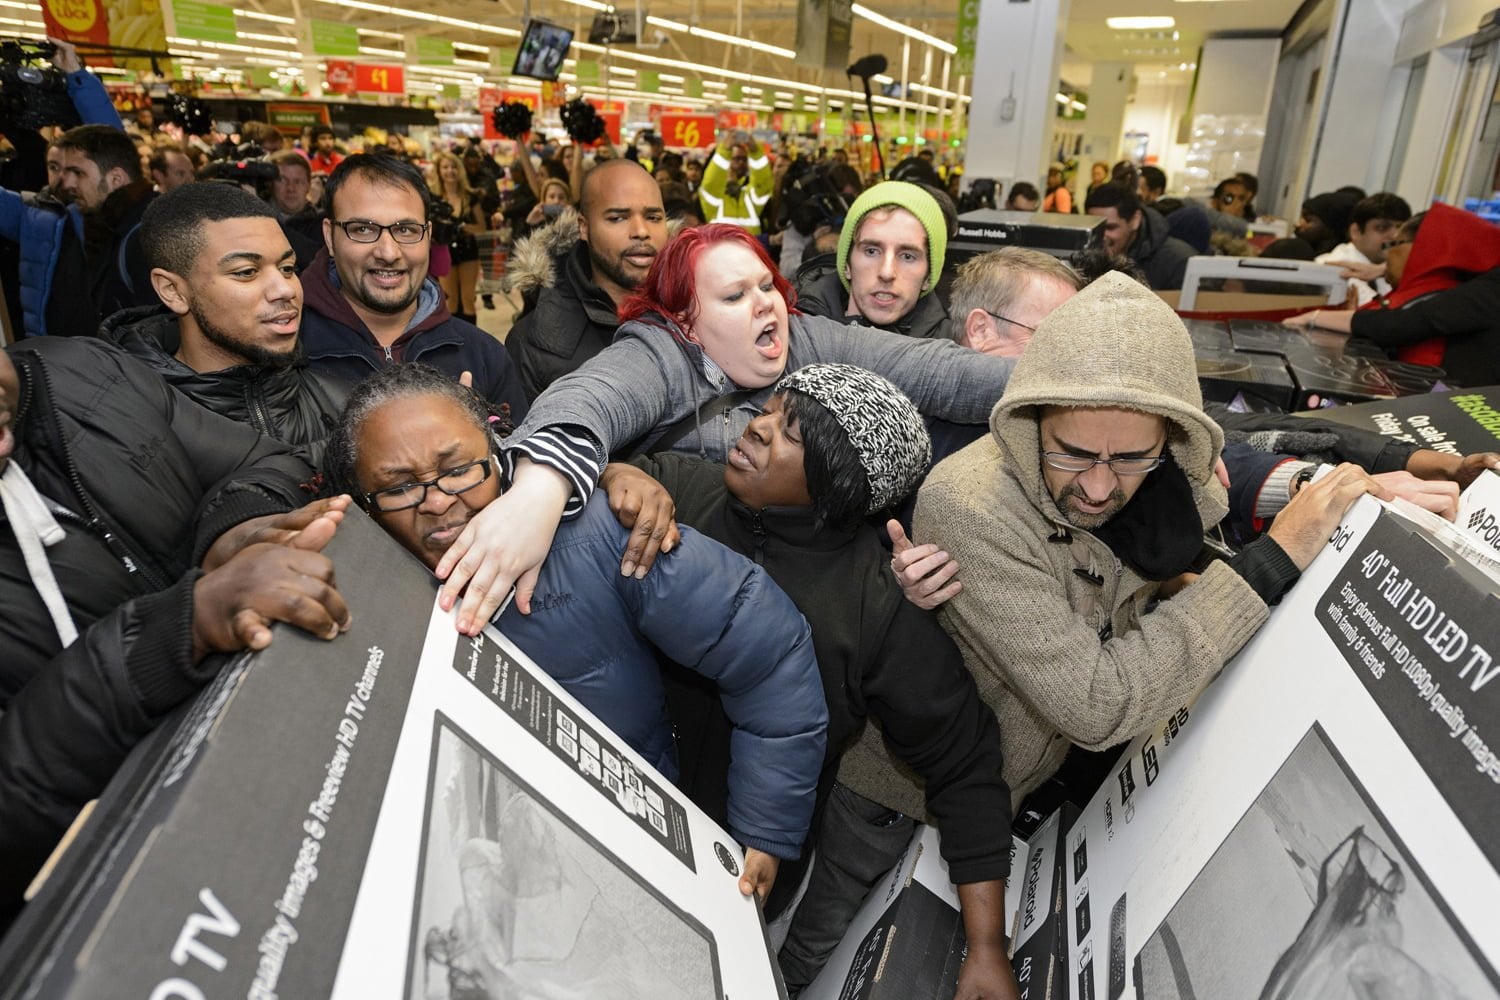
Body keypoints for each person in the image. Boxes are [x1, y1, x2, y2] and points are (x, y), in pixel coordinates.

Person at [325, 363, 827, 903]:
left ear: (497, 453)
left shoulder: (606, 537)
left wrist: (764, 829)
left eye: (459, 469)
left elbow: (769, 652)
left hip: (636, 847)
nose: (438, 500)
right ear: (363, 505)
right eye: (399, 487)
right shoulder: (347, 591)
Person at [605, 364, 1016, 999]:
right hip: (604, 811)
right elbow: (593, 481)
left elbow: (964, 762)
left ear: (839, 484)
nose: (758, 428)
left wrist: (987, 946)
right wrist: (618, 475)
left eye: (792, 432)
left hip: (736, 878)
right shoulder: (685, 489)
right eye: (767, 411)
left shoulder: (877, 607)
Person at [912, 271, 1391, 802]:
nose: (1097, 487)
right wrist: (1267, 563)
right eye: (1071, 452)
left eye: (1131, 459)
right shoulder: (969, 507)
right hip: (914, 810)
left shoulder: (1167, 482)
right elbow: (1098, 706)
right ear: (1033, 418)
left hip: (1030, 783)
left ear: (1169, 437)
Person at [432, 223, 1016, 636]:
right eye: (735, 296)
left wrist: (1064, 382)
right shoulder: (660, 352)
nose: (765, 305)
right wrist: (539, 491)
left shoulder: (806, 337)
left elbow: (941, 373)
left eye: (766, 286)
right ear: (686, 319)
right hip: (690, 620)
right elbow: (587, 399)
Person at [0, 335, 351, 924]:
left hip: (253, 774)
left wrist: (233, 531)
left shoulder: (87, 372)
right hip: (109, 909)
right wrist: (178, 629)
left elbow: (265, 461)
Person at [98, 182, 346, 458]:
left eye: (288, 268)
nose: (286, 289)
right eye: (246, 272)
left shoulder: (343, 406)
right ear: (173, 291)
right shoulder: (122, 428)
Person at [298, 154, 528, 421]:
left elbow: (518, 457)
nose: (388, 252)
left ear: (428, 235)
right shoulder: (288, 353)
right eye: (362, 229)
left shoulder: (483, 356)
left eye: (406, 230)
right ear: (329, 236)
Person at [504, 159, 668, 399]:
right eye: (618, 218)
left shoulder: (699, 314)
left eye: (653, 217)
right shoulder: (534, 341)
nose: (641, 231)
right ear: (583, 227)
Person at [1285, 203, 1500, 382]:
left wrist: (1315, 317)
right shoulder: (1458, 290)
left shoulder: (1446, 297)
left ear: (1426, 247)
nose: (1387, 252)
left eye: (1395, 243)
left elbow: (1403, 323)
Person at [794, 180, 950, 339]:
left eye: (907, 256)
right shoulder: (793, 332)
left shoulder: (950, 355)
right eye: (871, 251)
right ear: (847, 265)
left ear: (928, 277)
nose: (886, 272)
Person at [1085, 182, 1195, 291]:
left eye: (1110, 228)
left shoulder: (1178, 263)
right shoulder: (1080, 254)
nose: (1101, 236)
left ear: (1135, 220)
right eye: (1095, 229)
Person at [1313, 192, 1412, 306]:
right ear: (1356, 232)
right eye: (1382, 228)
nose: (1394, 236)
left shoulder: (1392, 269)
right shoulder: (1329, 267)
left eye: (1400, 229)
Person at [428, 151, 487, 325]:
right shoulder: (434, 197)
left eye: (454, 167)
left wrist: (461, 227)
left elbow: (482, 228)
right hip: (444, 252)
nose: (450, 171)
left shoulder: (470, 197)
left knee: (468, 298)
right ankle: (451, 340)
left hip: (468, 249)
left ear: (460, 170)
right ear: (439, 171)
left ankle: (471, 339)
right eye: (445, 167)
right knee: (450, 300)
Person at [698, 134, 773, 234]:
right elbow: (711, 182)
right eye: (736, 159)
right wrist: (725, 150)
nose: (740, 163)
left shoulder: (749, 196)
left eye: (744, 159)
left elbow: (764, 184)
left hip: (749, 248)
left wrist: (756, 152)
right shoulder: (714, 199)